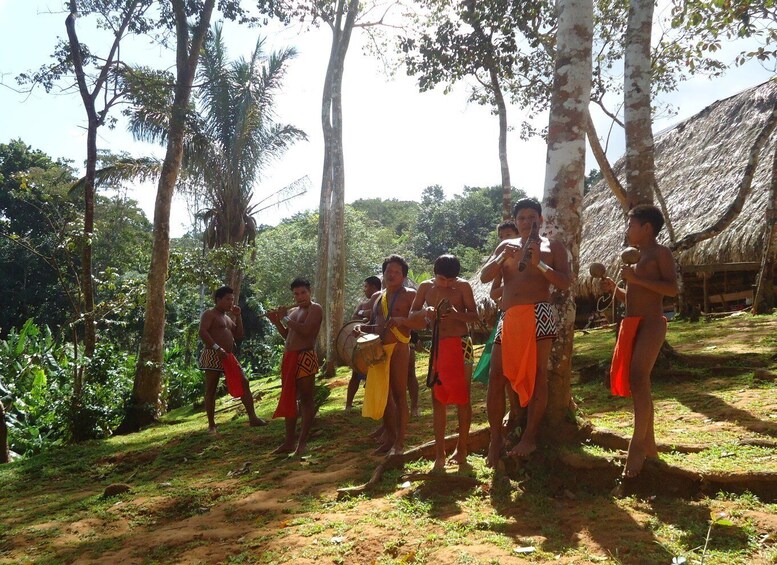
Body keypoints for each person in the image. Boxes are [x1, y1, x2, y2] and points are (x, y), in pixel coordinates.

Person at [480, 198, 571, 466]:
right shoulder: (504, 246)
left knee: (539, 375)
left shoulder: (552, 247)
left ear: (540, 220)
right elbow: (486, 278)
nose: (526, 222)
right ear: (516, 221)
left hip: (539, 313)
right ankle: (495, 438)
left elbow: (565, 283)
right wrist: (500, 257)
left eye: (532, 217)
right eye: (521, 218)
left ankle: (529, 437)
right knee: (496, 376)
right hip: (509, 317)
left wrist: (539, 265)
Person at [600, 204, 678, 478]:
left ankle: (637, 445)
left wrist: (636, 279)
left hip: (653, 323)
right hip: (632, 323)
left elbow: (672, 289)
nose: (627, 230)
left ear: (647, 228)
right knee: (636, 381)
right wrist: (617, 289)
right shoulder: (635, 257)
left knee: (638, 376)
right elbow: (632, 298)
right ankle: (651, 447)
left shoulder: (660, 253)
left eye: (631, 225)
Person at [411, 254, 479, 471]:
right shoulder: (425, 287)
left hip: (462, 344)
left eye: (451, 280)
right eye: (443, 280)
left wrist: (458, 315)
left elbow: (474, 315)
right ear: (435, 274)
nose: (447, 284)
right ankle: (439, 453)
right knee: (438, 399)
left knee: (463, 398)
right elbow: (413, 313)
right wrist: (426, 312)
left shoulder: (464, 287)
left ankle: (462, 449)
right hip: (439, 346)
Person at [357, 254, 419, 455]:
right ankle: (389, 438)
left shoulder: (410, 295)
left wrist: (403, 320)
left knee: (399, 395)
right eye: (388, 271)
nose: (392, 275)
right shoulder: (377, 297)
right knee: (384, 395)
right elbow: (375, 324)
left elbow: (423, 322)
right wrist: (361, 329)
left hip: (400, 348)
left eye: (396, 272)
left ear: (403, 276)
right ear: (383, 273)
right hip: (378, 350)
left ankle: (400, 443)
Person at [266, 278, 323, 457]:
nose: (299, 297)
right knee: (290, 398)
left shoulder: (316, 308)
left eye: (303, 293)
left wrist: (284, 318)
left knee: (306, 399)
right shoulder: (293, 311)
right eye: (296, 294)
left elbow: (306, 331)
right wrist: (276, 322)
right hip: (289, 357)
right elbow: (287, 336)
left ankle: (302, 443)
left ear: (310, 291)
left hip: (306, 356)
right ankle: (289, 442)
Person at [198, 286, 266, 433]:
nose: (231, 302)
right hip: (212, 353)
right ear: (218, 300)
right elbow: (202, 332)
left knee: (244, 381)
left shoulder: (228, 318)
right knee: (211, 388)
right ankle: (211, 425)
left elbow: (239, 335)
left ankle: (253, 418)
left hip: (228, 356)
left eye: (232, 299)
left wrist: (238, 316)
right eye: (228, 299)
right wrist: (217, 348)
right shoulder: (209, 314)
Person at [473, 220, 521, 425]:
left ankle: (520, 411)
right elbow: (492, 291)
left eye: (509, 234)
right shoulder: (501, 264)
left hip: (527, 315)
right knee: (501, 370)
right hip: (507, 315)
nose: (505, 240)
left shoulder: (535, 254)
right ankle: (513, 411)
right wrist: (510, 287)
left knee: (521, 368)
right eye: (501, 237)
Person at [345, 276, 383, 410]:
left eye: (366, 287)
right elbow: (355, 317)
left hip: (376, 341)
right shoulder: (362, 303)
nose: (364, 290)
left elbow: (372, 314)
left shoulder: (381, 297)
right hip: (361, 342)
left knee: (375, 373)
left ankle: (373, 404)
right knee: (355, 373)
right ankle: (348, 404)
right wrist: (364, 313)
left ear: (373, 287)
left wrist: (365, 315)